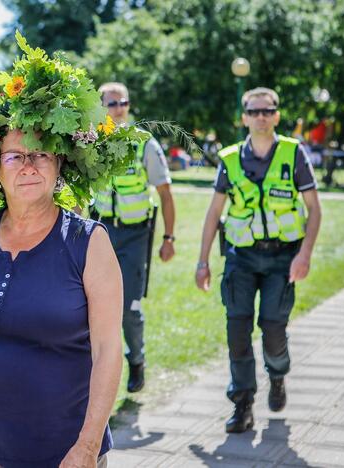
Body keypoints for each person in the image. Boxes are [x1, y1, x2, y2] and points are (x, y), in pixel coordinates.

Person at [0, 33, 144, 467]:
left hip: (63, 453)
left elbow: (108, 350)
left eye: (42, 154)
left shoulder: (87, 243)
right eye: (14, 156)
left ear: (60, 166)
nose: (29, 165)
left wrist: (88, 447)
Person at [195, 87, 322, 433]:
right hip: (241, 259)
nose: (261, 117)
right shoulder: (230, 159)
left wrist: (305, 255)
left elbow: (314, 210)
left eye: (268, 111)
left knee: (273, 329)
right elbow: (213, 214)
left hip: (283, 259)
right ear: (244, 117)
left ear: (277, 115)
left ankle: (278, 375)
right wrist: (203, 261)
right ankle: (243, 404)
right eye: (254, 111)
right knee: (237, 330)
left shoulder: (293, 154)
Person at [91, 82, 177, 393]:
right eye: (112, 104)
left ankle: (136, 360)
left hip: (134, 235)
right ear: (101, 107)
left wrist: (169, 238)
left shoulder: (145, 144)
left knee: (128, 307)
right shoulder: (91, 141)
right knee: (89, 306)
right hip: (99, 233)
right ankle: (92, 373)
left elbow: (166, 194)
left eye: (123, 102)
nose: (118, 109)